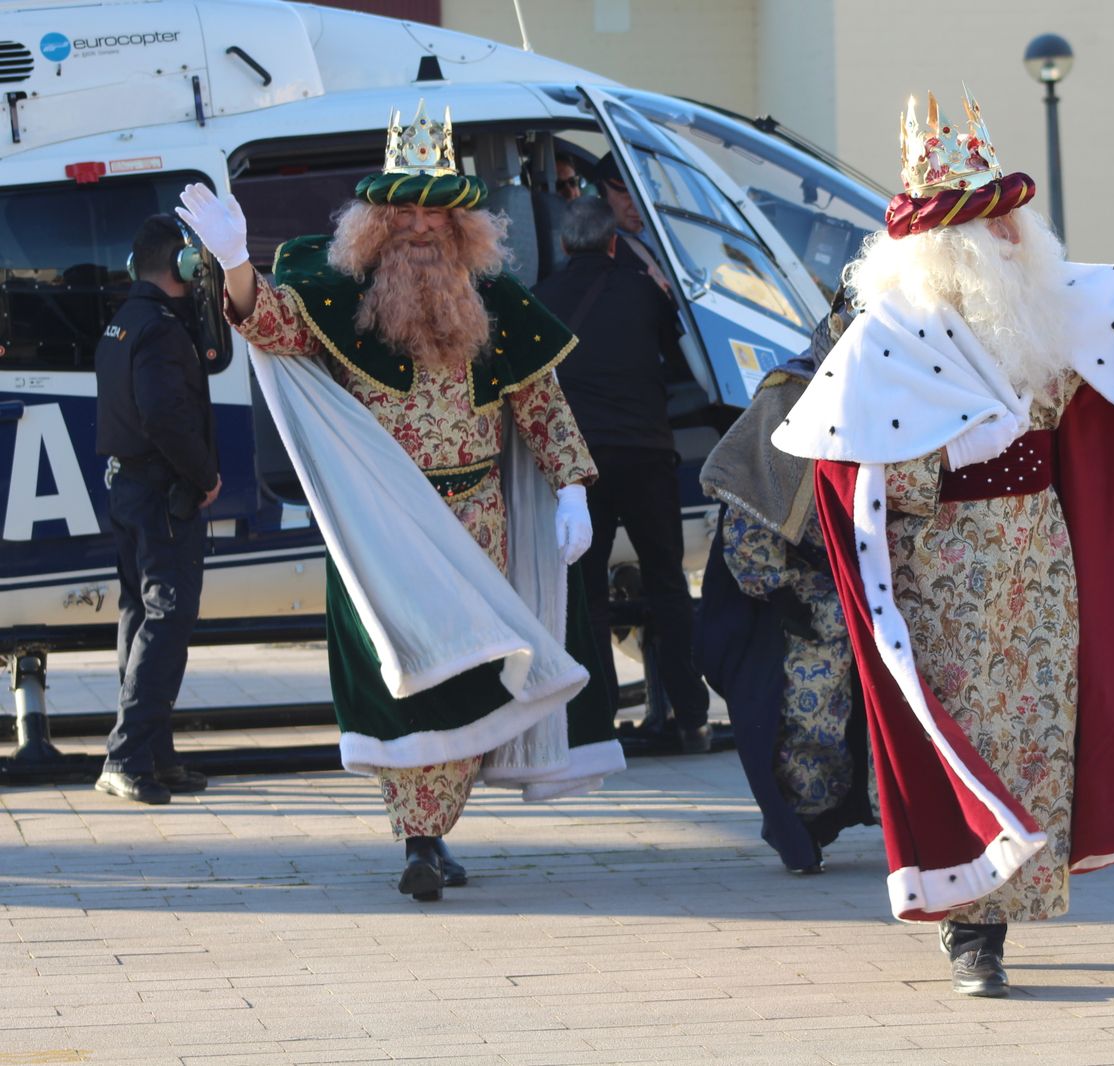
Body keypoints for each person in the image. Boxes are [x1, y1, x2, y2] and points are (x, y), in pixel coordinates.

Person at [772, 89, 1114, 997]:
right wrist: (938, 462)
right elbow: (855, 478)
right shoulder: (885, 341)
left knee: (1038, 737)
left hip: (1044, 566)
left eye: (1014, 218)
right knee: (970, 737)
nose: (1016, 238)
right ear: (947, 246)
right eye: (994, 225)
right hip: (947, 574)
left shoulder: (1043, 307)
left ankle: (1003, 918)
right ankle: (973, 930)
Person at [176, 101, 622, 900]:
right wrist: (238, 263)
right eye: (404, 211)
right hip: (378, 520)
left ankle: (430, 834)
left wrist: (572, 488)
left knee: (468, 671)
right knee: (401, 670)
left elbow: (541, 402)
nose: (420, 227)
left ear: (463, 226)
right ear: (377, 224)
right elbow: (269, 325)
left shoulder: (497, 304)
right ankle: (419, 836)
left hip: (479, 523)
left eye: (436, 212)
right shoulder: (340, 298)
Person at [698, 291, 874, 872]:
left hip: (892, 584)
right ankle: (805, 825)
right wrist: (773, 584)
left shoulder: (914, 388)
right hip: (813, 592)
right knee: (810, 717)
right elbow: (749, 500)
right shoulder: (789, 393)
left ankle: (913, 825)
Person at [533, 196, 712, 752]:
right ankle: (691, 717)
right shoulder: (644, 292)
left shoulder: (543, 299)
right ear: (613, 242)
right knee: (667, 581)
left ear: (565, 244)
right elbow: (678, 358)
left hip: (580, 466)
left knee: (586, 593)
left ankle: (598, 721)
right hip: (646, 454)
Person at [91, 215, 220, 805]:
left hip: (128, 490)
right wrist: (205, 475)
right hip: (163, 492)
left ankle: (154, 757)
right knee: (166, 621)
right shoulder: (164, 330)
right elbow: (165, 414)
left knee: (138, 618)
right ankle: (125, 757)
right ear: (183, 266)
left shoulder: (123, 321)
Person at [591, 153, 671, 292]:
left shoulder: (660, 228)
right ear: (603, 199)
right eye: (626, 196)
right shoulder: (610, 249)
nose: (637, 206)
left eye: (642, 195)